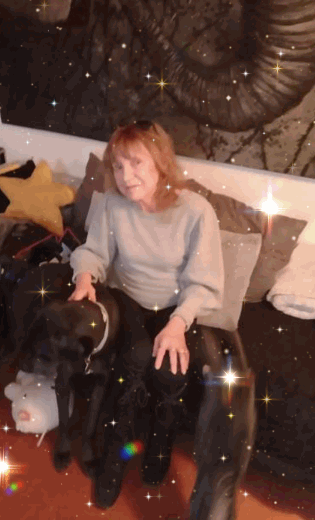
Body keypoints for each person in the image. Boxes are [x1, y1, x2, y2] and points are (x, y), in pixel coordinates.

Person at [67, 120, 225, 509]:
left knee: (171, 371)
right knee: (133, 360)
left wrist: (177, 324)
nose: (125, 176)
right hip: (129, 297)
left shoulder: (196, 211)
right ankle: (114, 456)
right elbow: (94, 252)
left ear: (160, 162)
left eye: (136, 163)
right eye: (118, 166)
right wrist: (84, 276)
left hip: (177, 306)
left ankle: (159, 444)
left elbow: (204, 282)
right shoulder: (111, 203)